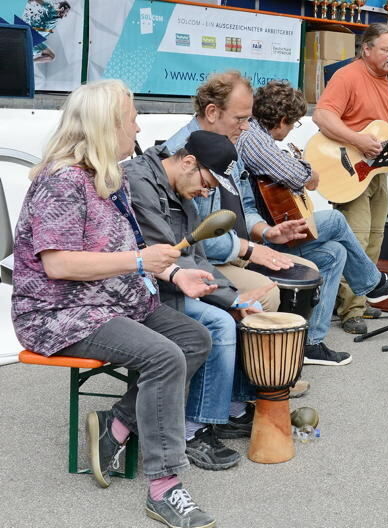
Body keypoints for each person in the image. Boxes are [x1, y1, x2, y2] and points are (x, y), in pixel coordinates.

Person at [11, 80, 216, 527]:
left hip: (114, 301)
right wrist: (140, 260)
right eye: (131, 118)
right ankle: (164, 488)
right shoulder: (62, 181)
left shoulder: (108, 176)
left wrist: (175, 272)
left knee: (196, 339)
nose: (138, 125)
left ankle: (118, 424)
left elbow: (135, 253)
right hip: (59, 314)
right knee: (164, 357)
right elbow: (59, 264)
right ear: (107, 126)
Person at [127, 130, 275, 472]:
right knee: (220, 321)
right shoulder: (140, 182)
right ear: (189, 162)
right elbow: (167, 258)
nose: (207, 192)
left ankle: (231, 407)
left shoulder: (182, 191)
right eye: (208, 183)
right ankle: (194, 429)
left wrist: (235, 298)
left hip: (174, 280)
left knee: (242, 310)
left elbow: (199, 259)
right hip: (144, 287)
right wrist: (229, 301)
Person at [236, 80, 388, 352]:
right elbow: (299, 176)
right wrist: (307, 170)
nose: (290, 131)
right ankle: (374, 284)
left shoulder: (258, 136)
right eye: (293, 124)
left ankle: (312, 343)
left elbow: (286, 170)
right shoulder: (254, 137)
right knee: (334, 221)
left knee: (335, 252)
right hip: (257, 238)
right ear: (283, 119)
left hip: (267, 227)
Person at [312, 23, 388, 335]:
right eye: (386, 50)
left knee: (376, 237)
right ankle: (349, 310)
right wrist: (358, 139)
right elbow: (322, 116)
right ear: (367, 50)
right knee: (357, 238)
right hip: (348, 169)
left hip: (378, 170)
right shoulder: (348, 76)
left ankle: (362, 300)